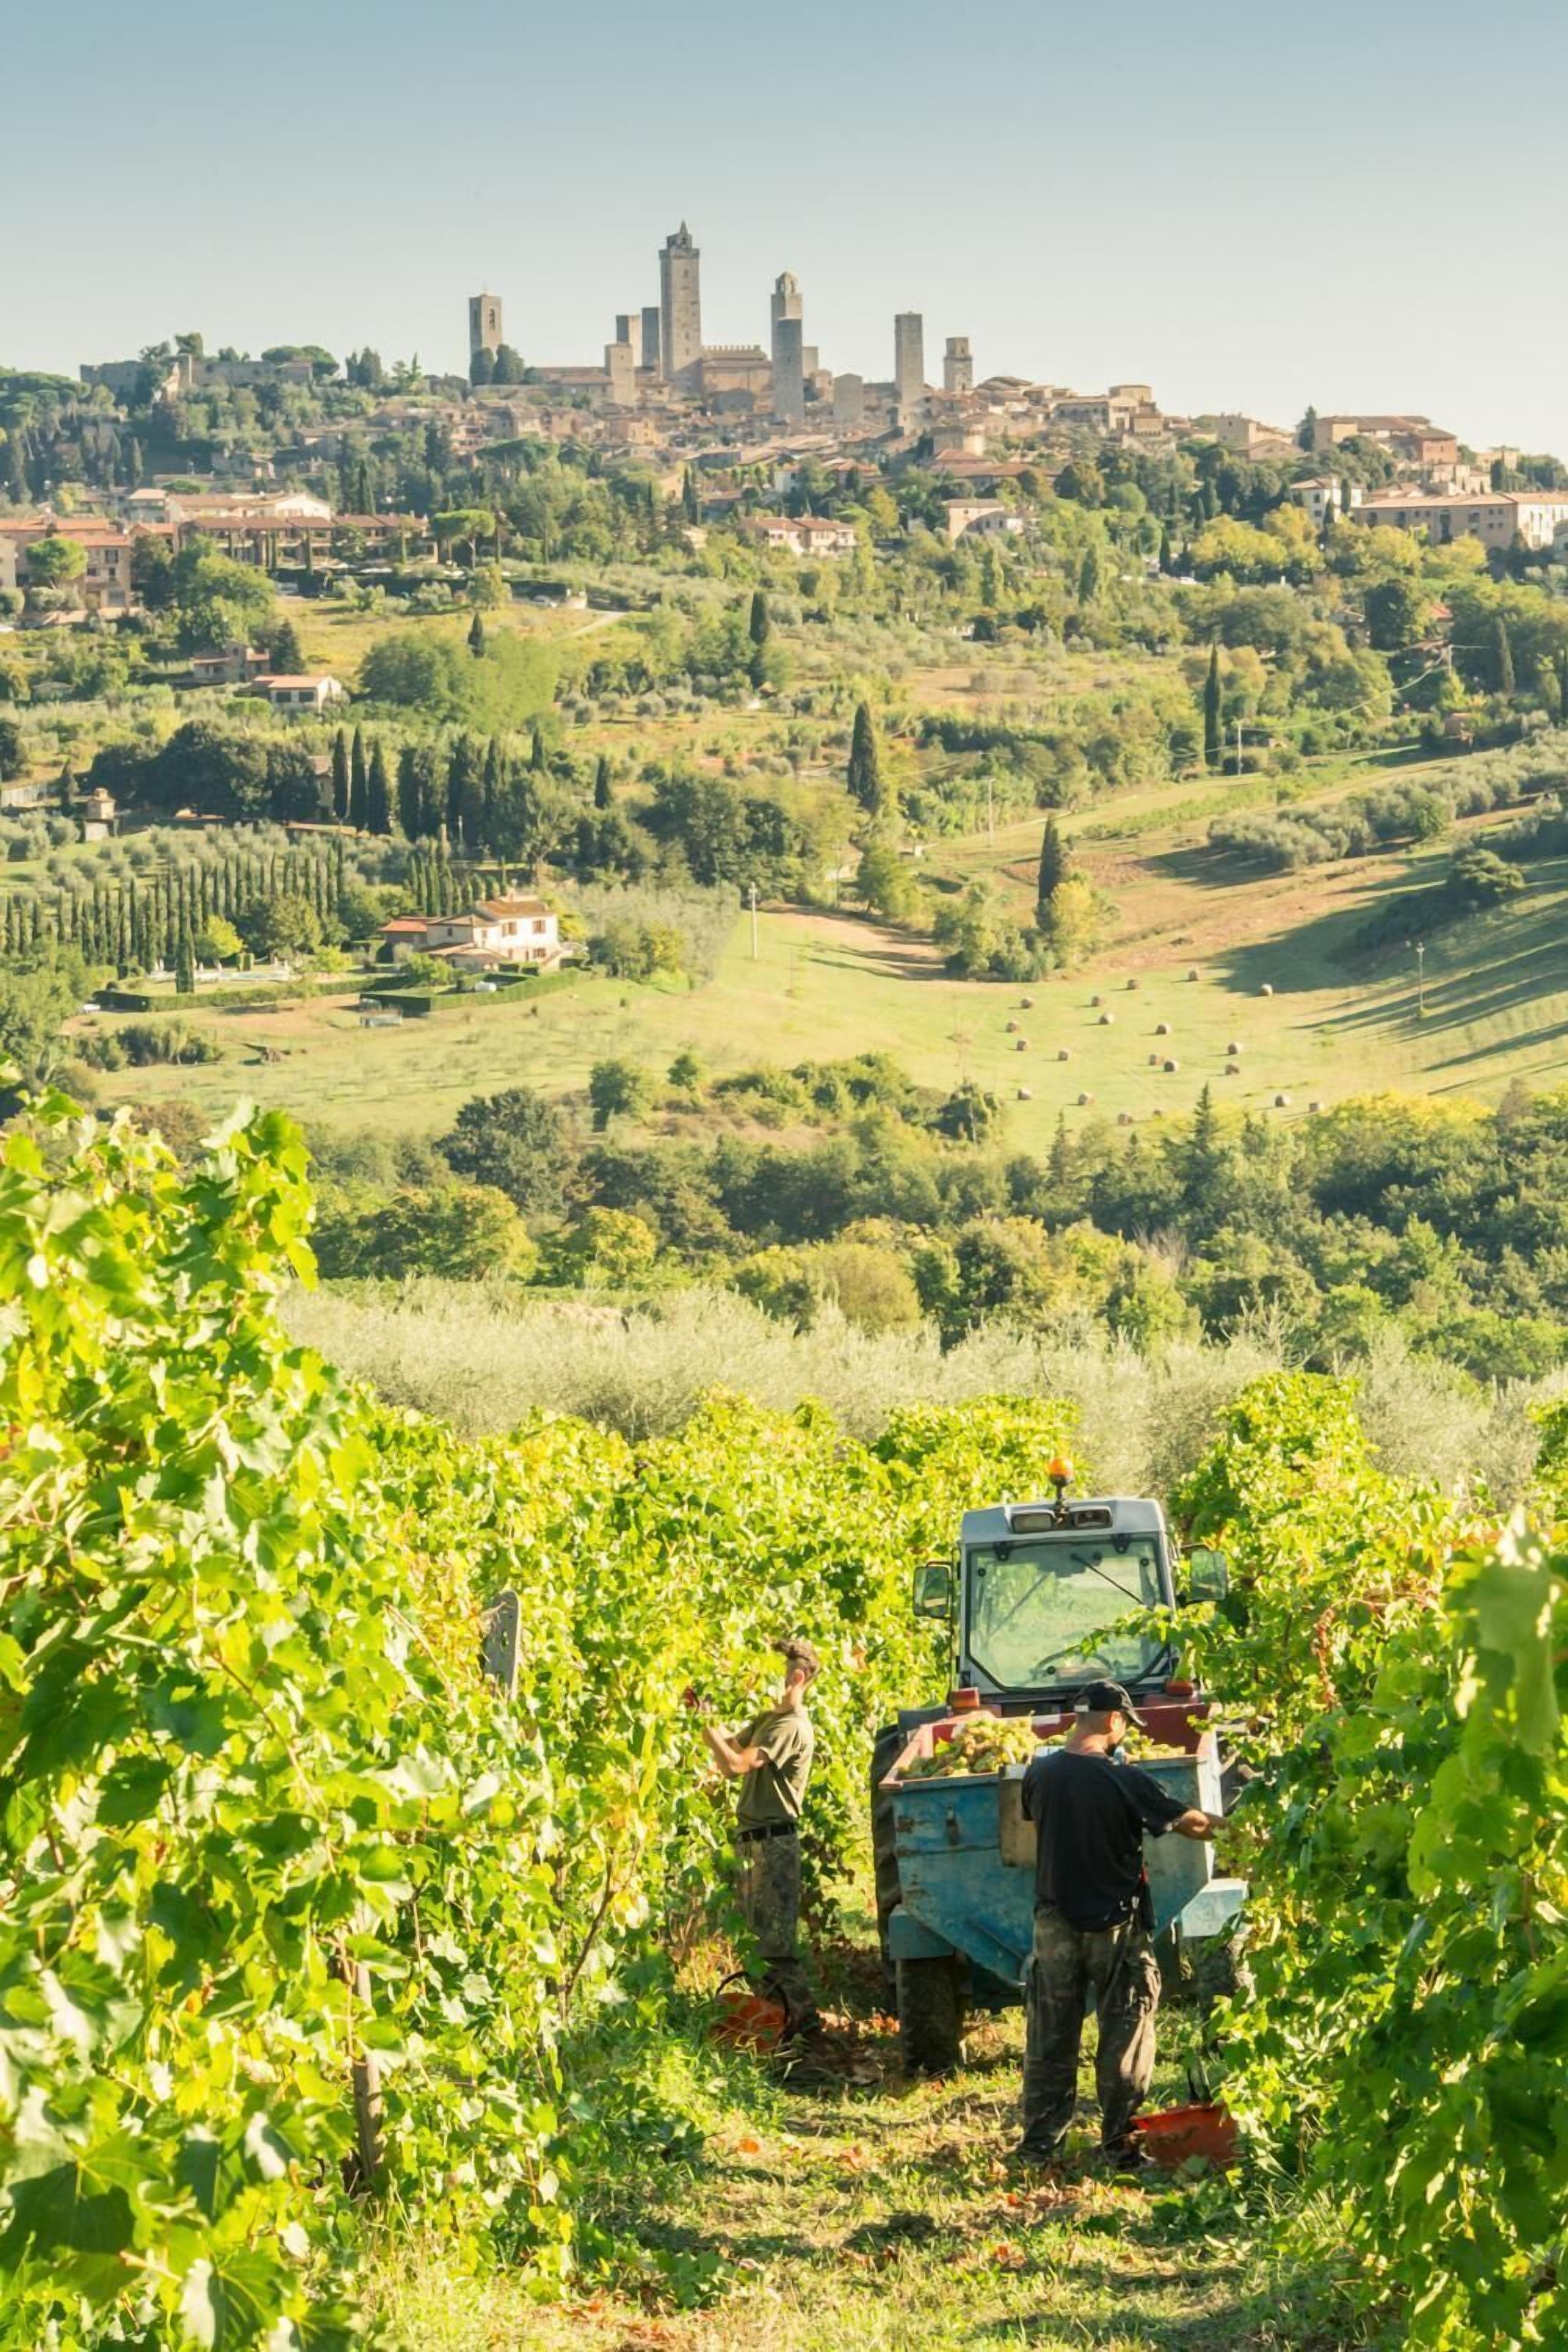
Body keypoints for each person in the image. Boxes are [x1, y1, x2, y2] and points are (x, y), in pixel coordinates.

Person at [1016, 1679, 1224, 2170]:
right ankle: (1120, 2147)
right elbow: (1192, 1824)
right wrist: (1243, 1834)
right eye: (1125, 1725)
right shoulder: (1123, 1779)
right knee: (1125, 2032)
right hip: (1115, 1925)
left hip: (1054, 1923)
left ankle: (1038, 2147)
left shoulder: (1038, 1775)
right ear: (1113, 1720)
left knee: (1050, 2035)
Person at [688, 1637, 821, 2034]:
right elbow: (728, 1748)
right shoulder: (769, 1719)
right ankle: (779, 2027)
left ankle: (803, 2030)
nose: (758, 1680)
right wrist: (702, 1712)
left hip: (773, 1844)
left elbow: (735, 1765)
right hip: (754, 1841)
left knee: (774, 1949)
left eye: (770, 1673)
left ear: (797, 1678)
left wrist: (704, 1726)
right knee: (758, 1945)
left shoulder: (790, 1727)